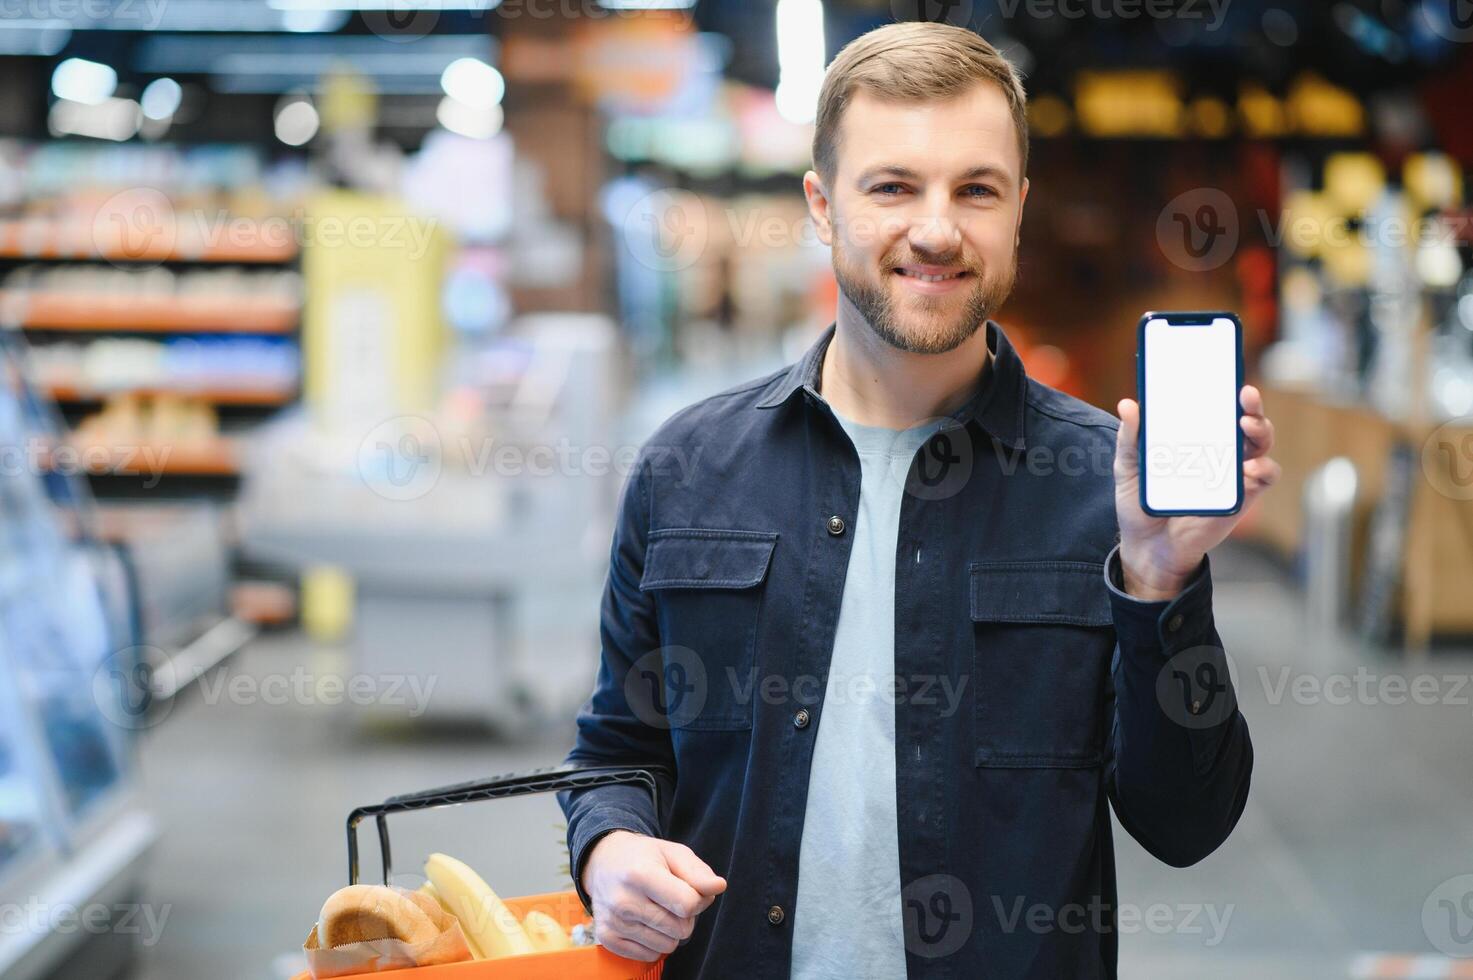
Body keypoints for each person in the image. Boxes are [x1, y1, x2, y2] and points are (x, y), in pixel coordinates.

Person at [561, 20, 1276, 979]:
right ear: (822, 205)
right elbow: (617, 747)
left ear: (1017, 208)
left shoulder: (1102, 488)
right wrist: (607, 850)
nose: (935, 230)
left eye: (974, 190)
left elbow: (1184, 823)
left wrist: (1157, 584)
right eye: (892, 186)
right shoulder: (688, 468)